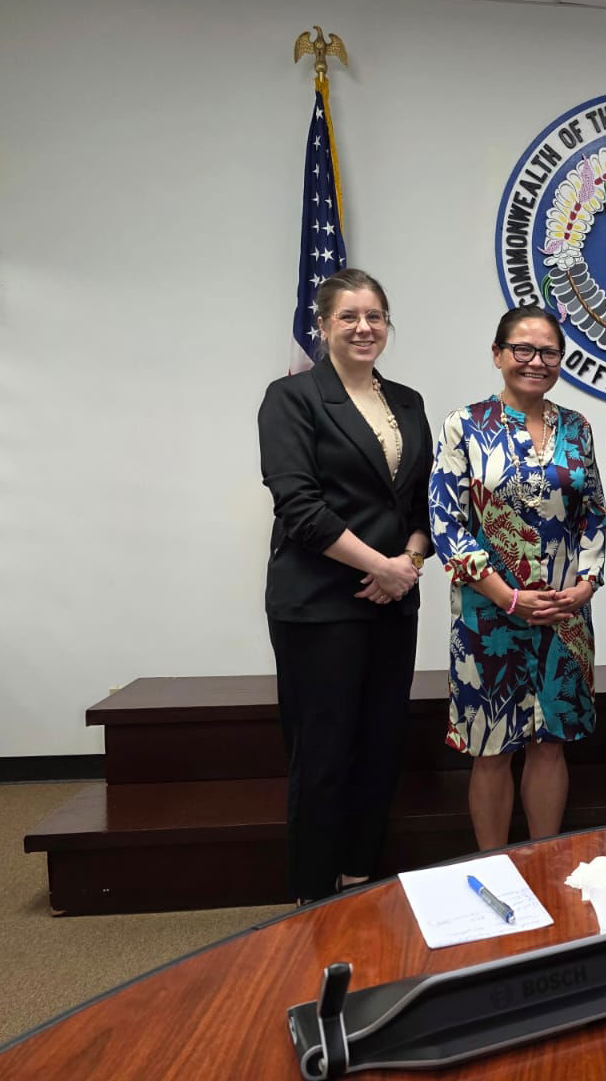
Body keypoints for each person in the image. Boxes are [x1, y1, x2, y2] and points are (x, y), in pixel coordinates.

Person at [258, 268, 433, 903]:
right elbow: (298, 507)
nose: (364, 327)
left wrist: (406, 563)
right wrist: (379, 566)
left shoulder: (407, 402)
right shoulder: (292, 398)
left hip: (393, 602)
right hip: (320, 603)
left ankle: (359, 880)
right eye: (349, 316)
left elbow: (422, 503)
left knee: (381, 747)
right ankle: (312, 895)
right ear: (323, 324)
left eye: (374, 316)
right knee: (323, 755)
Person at [429, 307, 606, 850]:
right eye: (523, 349)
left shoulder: (577, 428)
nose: (536, 361)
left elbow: (594, 515)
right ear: (498, 354)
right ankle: (496, 868)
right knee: (491, 747)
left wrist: (585, 584)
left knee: (551, 744)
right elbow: (446, 524)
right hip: (488, 617)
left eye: (549, 352)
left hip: (563, 614)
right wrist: (507, 597)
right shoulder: (464, 425)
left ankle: (544, 862)